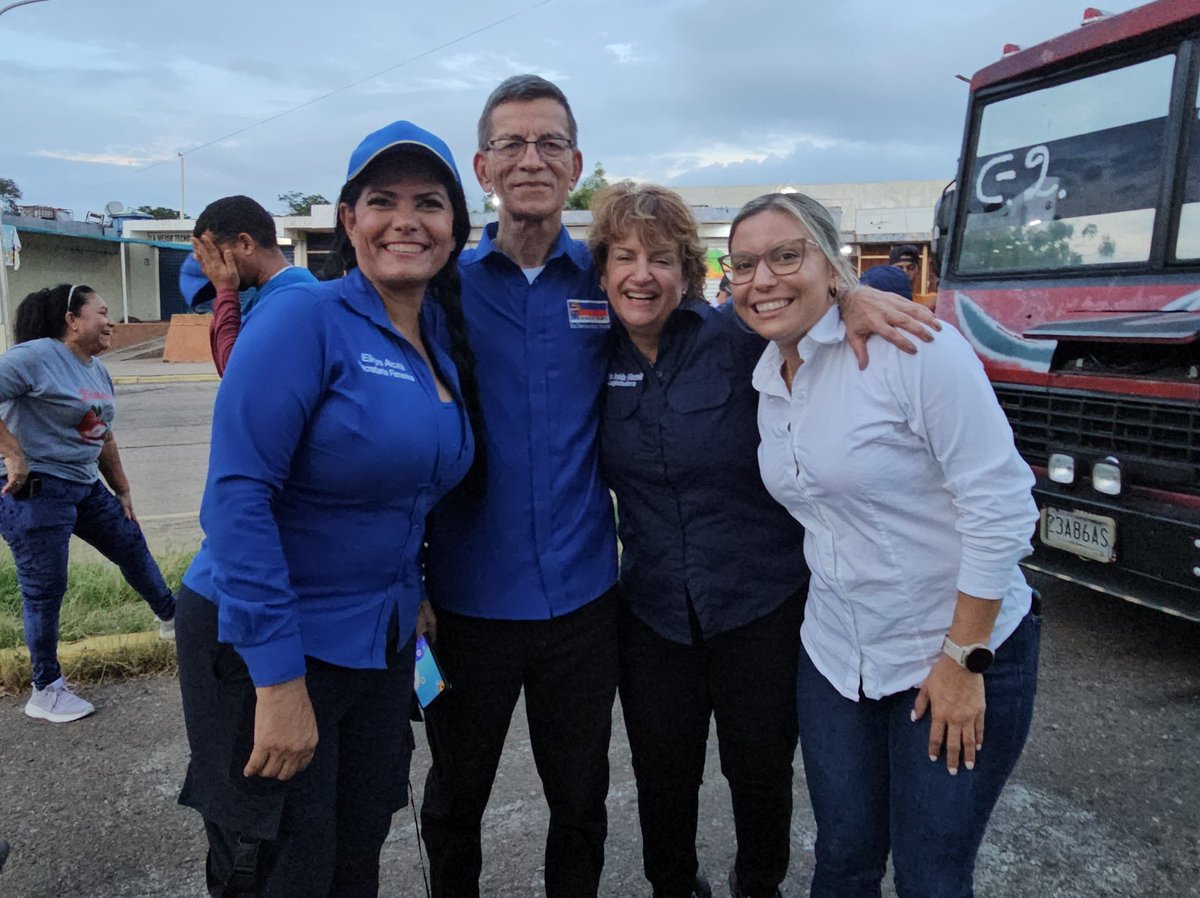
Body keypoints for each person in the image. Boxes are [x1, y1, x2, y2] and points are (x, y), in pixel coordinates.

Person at [418, 72, 938, 898]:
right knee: (481, 793)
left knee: (657, 787)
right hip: (544, 602)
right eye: (511, 143)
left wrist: (850, 295)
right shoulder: (445, 285)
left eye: (550, 142)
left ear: (575, 162)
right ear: (483, 166)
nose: (531, 159)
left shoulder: (688, 319)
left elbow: (790, 307)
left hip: (673, 603)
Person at [175, 120, 479, 897]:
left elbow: (406, 488)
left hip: (377, 646)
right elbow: (237, 497)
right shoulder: (302, 319)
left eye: (430, 203)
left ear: (455, 226)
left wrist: (411, 592)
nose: (406, 220)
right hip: (270, 642)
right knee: (281, 869)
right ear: (348, 220)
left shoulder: (436, 335)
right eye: (382, 201)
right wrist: (278, 682)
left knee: (357, 853)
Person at [727, 192, 1039, 898]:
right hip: (838, 657)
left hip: (953, 650)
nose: (763, 279)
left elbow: (1001, 505)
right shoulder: (767, 376)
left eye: (786, 256)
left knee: (930, 875)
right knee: (842, 860)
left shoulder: (914, 350)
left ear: (833, 265)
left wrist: (962, 660)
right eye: (743, 264)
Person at [589, 182, 808, 898]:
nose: (641, 275)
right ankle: (674, 885)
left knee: (760, 766)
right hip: (653, 611)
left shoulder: (742, 341)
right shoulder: (591, 356)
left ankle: (758, 884)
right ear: (603, 271)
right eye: (624, 257)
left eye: (659, 258)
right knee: (662, 769)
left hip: (758, 604)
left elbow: (817, 322)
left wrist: (860, 297)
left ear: (687, 271)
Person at [0, 284, 176, 723]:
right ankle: (45, 690)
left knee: (130, 543)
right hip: (36, 489)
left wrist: (123, 489)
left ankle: (173, 620)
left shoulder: (96, 370)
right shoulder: (36, 356)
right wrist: (13, 453)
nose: (110, 321)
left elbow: (102, 433)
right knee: (45, 588)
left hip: (82, 484)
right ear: (72, 320)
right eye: (101, 312)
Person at [179, 195, 318, 375]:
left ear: (245, 244)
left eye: (215, 255)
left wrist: (225, 291)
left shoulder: (294, 294)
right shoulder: (269, 294)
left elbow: (235, 372)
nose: (213, 268)